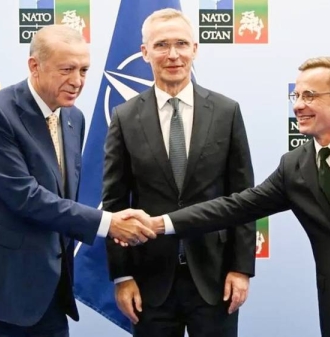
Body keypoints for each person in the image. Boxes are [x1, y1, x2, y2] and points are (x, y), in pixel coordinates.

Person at [135, 57, 330, 337]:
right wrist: (162, 223)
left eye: (309, 95)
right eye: (296, 95)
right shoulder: (295, 167)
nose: (298, 105)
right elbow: (235, 207)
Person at [0, 25, 155, 337]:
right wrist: (108, 223)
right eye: (66, 69)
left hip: (46, 299)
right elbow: (25, 197)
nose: (77, 81)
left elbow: (63, 199)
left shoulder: (73, 118)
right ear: (34, 66)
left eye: (84, 70)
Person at [103, 8, 256, 337]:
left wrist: (241, 268)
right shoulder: (124, 117)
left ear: (195, 49)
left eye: (181, 44)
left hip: (215, 280)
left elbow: (243, 198)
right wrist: (122, 276)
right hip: (150, 283)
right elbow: (115, 203)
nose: (173, 55)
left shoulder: (227, 112)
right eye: (161, 45)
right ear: (145, 53)